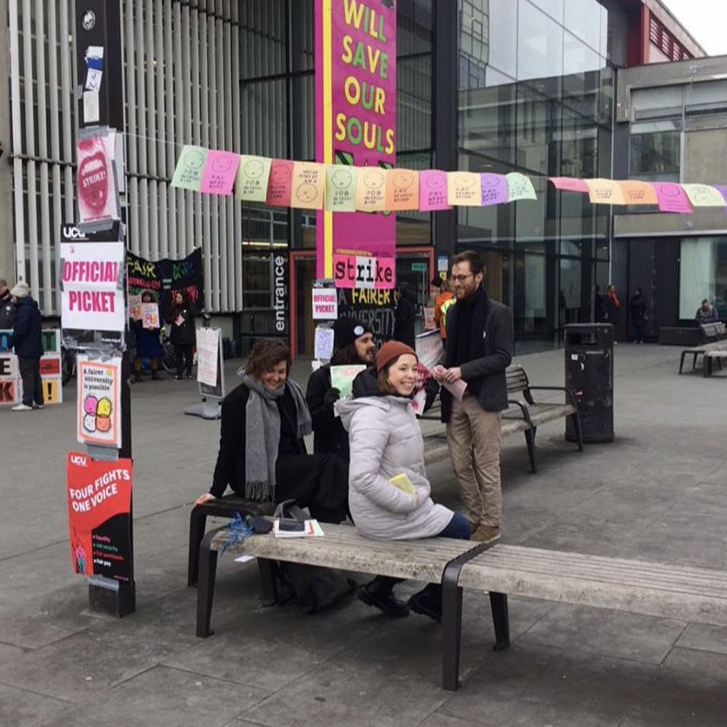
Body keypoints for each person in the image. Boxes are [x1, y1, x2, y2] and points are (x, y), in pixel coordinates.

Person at [337, 340, 471, 621]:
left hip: (400, 504)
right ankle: (432, 600)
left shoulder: (397, 403)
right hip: (382, 512)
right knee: (462, 529)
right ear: (384, 372)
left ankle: (379, 589)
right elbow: (362, 477)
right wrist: (405, 502)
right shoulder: (372, 414)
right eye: (402, 369)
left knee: (449, 526)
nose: (411, 375)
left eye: (414, 368)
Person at [195, 338, 349, 524]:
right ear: (257, 368)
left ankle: (326, 529)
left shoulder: (289, 392)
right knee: (330, 466)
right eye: (270, 371)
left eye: (281, 372)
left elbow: (296, 440)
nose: (276, 378)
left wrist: (306, 467)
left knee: (327, 477)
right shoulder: (237, 400)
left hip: (285, 466)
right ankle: (345, 524)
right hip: (253, 476)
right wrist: (215, 491)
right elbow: (227, 447)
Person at [434, 250, 513, 544]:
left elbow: (503, 357)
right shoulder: (453, 311)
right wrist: (442, 366)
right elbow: (451, 349)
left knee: (487, 463)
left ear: (479, 277)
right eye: (454, 277)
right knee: (458, 463)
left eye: (463, 277)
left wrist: (462, 370)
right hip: (455, 396)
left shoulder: (498, 313)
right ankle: (476, 516)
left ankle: (491, 523)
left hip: (484, 397)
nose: (457, 282)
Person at [305, 317, 375, 458]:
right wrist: (328, 408)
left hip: (367, 457)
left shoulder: (374, 374)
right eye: (364, 340)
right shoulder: (322, 377)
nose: (372, 345)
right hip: (334, 464)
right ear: (349, 345)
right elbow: (309, 422)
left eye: (371, 339)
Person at [8, 281, 44, 411]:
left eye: (14, 296)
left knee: (27, 374)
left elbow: (20, 330)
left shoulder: (23, 310)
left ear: (19, 296)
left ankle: (27, 402)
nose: (12, 299)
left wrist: (10, 342)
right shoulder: (34, 308)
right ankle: (39, 400)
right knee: (35, 375)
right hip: (35, 347)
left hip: (26, 348)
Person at [132, 291, 164, 381]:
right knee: (139, 354)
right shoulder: (138, 308)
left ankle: (155, 372)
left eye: (148, 296)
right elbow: (135, 322)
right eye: (145, 296)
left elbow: (160, 321)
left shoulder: (156, 308)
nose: (146, 298)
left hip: (152, 334)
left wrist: (154, 328)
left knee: (154, 354)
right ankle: (137, 374)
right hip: (142, 334)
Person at [165, 290, 197, 379]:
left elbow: (194, 313)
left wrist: (190, 303)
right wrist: (172, 318)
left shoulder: (189, 307)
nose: (177, 299)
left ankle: (189, 372)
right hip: (177, 334)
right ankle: (179, 373)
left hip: (187, 335)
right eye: (176, 298)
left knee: (188, 355)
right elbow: (168, 318)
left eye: (179, 298)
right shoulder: (173, 307)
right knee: (178, 355)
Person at [393, 281, 417, 348]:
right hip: (409, 336)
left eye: (397, 291)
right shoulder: (411, 302)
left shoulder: (403, 303)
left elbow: (401, 319)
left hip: (403, 336)